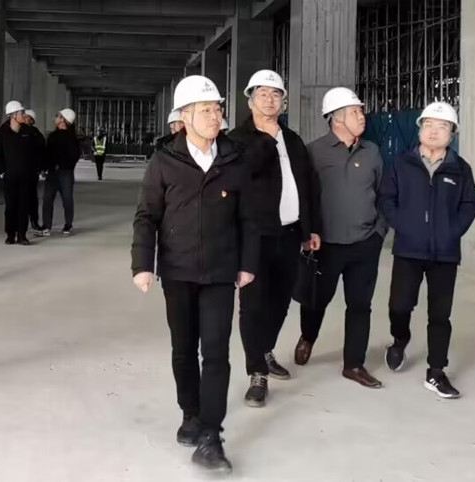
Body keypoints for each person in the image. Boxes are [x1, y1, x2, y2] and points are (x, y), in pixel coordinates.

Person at [132, 75, 257, 474]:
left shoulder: (234, 159)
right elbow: (147, 216)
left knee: (216, 352)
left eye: (217, 109)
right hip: (179, 269)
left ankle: (211, 436)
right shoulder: (165, 160)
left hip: (220, 270)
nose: (215, 116)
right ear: (184, 117)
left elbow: (249, 218)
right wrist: (142, 264)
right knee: (184, 349)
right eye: (206, 110)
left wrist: (247, 263)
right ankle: (190, 412)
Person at [229, 69, 319, 407]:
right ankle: (257, 373)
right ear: (250, 101)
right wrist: (264, 141)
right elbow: (235, 182)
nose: (269, 100)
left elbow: (308, 185)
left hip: (290, 233)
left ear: (284, 102)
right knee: (253, 305)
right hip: (254, 235)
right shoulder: (237, 140)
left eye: (276, 94)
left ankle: (265, 350)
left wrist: (310, 229)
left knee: (281, 300)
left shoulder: (292, 139)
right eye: (262, 94)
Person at [380, 102, 475, 399]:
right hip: (408, 249)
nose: (434, 131)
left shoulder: (460, 169)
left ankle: (436, 371)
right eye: (429, 125)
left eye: (442, 126)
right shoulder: (401, 163)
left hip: (444, 253)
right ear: (420, 129)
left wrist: (452, 231)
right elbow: (386, 198)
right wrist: (403, 225)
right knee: (399, 306)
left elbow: (470, 205)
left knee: (440, 314)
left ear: (452, 133)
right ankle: (400, 339)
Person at [295, 87, 388, 389]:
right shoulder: (314, 152)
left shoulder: (372, 152)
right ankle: (308, 336)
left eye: (361, 111)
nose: (361, 116)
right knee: (315, 300)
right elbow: (304, 197)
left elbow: (383, 192)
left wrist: (379, 232)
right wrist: (307, 232)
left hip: (365, 243)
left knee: (360, 305)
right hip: (326, 245)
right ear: (335, 119)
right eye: (354, 112)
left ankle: (354, 364)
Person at [0, 100, 42, 245]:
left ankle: (22, 235)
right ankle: (10, 234)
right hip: (10, 176)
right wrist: (1, 171)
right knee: (10, 206)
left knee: (23, 206)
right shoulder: (1, 133)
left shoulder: (29, 132)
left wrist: (36, 169)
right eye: (21, 113)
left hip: (26, 176)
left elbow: (36, 152)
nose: (23, 115)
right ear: (12, 115)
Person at [39, 109, 79, 237]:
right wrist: (44, 168)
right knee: (47, 199)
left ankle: (68, 225)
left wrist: (62, 165)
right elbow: (47, 154)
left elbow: (74, 156)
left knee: (67, 199)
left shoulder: (71, 138)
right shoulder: (52, 136)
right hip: (52, 173)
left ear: (63, 120)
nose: (55, 118)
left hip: (65, 173)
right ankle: (46, 226)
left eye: (58, 116)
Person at [23, 109, 45, 232]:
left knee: (32, 198)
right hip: (19, 170)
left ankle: (34, 221)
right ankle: (20, 223)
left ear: (32, 120)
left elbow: (42, 151)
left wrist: (41, 168)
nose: (25, 119)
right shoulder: (16, 131)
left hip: (31, 171)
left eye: (27, 117)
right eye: (24, 116)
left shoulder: (36, 134)